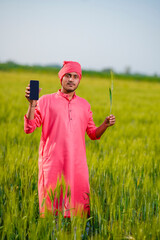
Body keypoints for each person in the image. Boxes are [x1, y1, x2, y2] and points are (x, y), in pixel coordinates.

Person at [24, 61, 115, 218]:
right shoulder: (45, 101)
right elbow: (29, 128)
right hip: (53, 165)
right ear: (61, 78)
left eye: (75, 76)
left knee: (78, 212)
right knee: (52, 213)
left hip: (77, 167)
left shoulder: (85, 105)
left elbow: (93, 134)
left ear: (79, 80)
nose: (71, 80)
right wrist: (32, 105)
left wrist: (105, 125)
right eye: (68, 76)